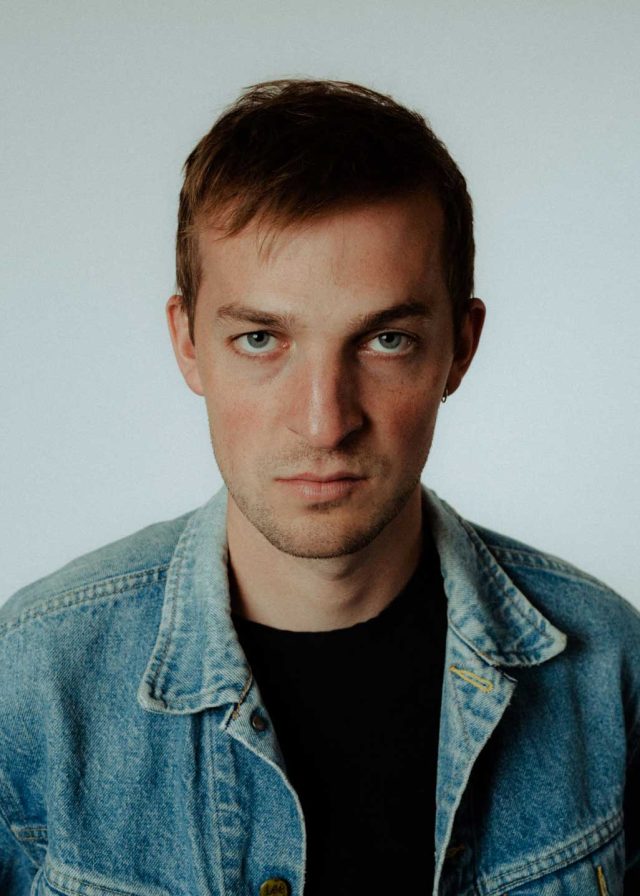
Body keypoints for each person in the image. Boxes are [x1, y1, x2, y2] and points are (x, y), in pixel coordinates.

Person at [0, 78, 638, 896]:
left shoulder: (608, 665)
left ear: (461, 348)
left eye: (386, 340)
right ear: (188, 343)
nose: (324, 422)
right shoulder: (32, 682)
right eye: (260, 339)